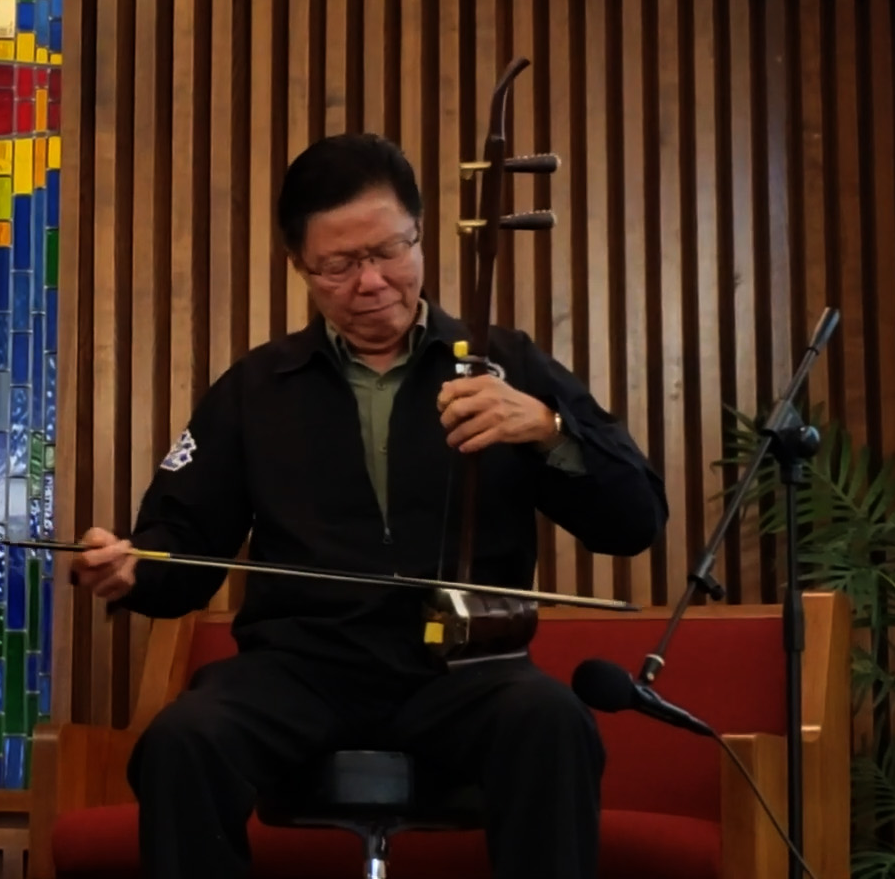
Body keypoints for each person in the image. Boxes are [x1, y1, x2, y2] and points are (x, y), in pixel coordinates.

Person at [70, 133, 668, 879]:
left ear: (419, 233)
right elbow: (181, 545)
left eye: (390, 250)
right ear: (300, 267)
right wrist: (131, 567)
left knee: (550, 722)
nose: (372, 280)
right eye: (339, 265)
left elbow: (636, 520)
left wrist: (547, 430)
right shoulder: (259, 387)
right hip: (300, 671)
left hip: (466, 669)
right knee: (184, 740)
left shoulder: (503, 364)